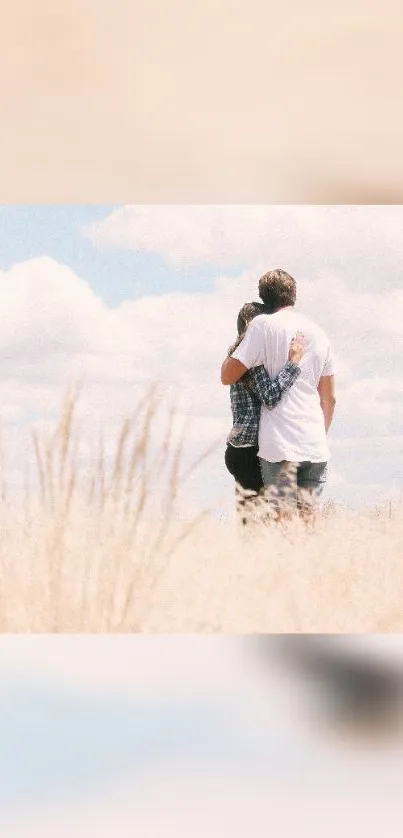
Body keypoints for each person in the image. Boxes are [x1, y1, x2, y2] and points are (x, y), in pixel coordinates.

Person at [221, 269, 336, 522]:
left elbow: (228, 375)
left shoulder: (258, 333)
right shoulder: (320, 333)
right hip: (310, 443)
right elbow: (329, 399)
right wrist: (318, 432)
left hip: (273, 445)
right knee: (307, 522)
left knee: (273, 524)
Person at [224, 300, 306, 525]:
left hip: (239, 449)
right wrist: (293, 362)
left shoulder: (237, 355)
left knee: (251, 523)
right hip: (252, 451)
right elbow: (270, 396)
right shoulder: (251, 359)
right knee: (267, 524)